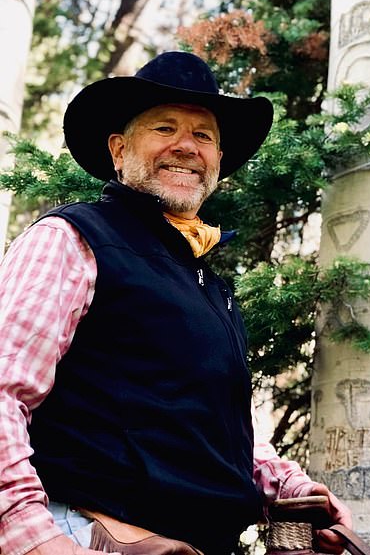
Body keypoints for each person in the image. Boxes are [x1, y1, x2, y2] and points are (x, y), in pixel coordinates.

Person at [0, 52, 351, 555]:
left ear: (218, 162)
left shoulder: (209, 284)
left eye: (204, 135)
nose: (186, 146)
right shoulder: (72, 238)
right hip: (95, 535)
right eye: (165, 128)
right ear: (119, 150)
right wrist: (33, 540)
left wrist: (286, 486)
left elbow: (219, 430)